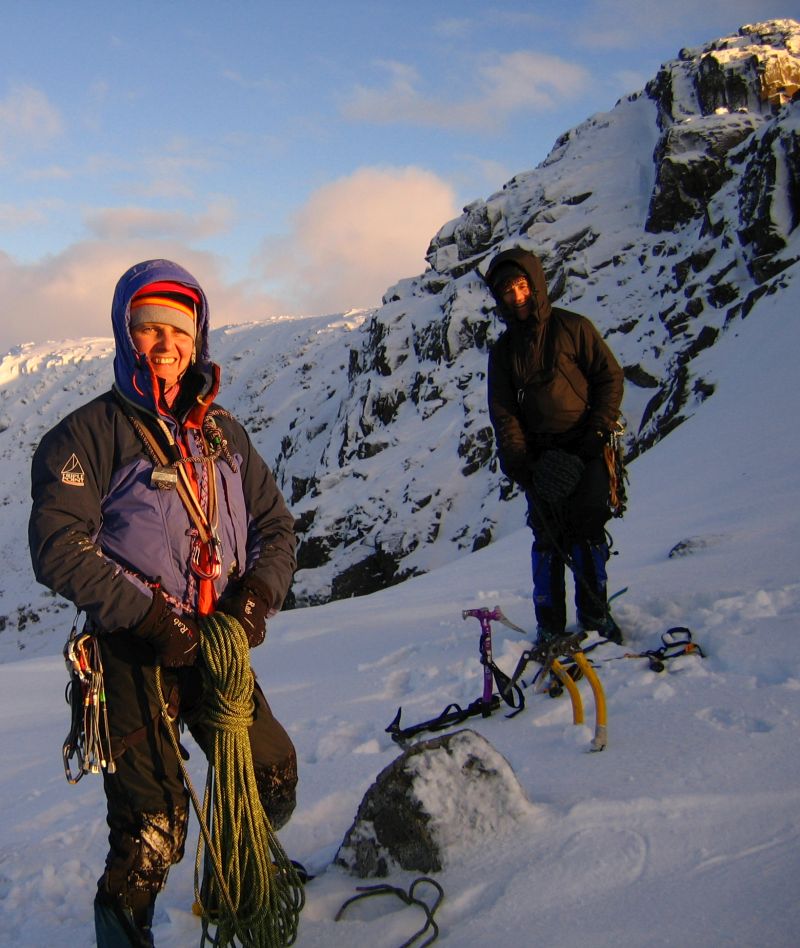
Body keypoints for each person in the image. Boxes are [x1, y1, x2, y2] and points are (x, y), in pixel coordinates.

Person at [29, 259, 298, 947]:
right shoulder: (87, 435)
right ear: (125, 335)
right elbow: (59, 546)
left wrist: (257, 600)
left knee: (269, 779)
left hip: (215, 644)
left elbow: (275, 528)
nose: (164, 343)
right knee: (151, 832)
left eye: (177, 330)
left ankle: (235, 889)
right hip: (132, 652)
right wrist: (152, 620)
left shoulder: (224, 436)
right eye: (148, 328)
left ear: (198, 338)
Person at [482, 246, 625, 643]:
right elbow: (504, 411)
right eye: (507, 292)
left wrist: (595, 435)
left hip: (586, 446)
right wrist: (522, 464)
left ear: (535, 285)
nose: (517, 297)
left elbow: (609, 378)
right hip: (539, 456)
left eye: (521, 286)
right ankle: (550, 625)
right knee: (548, 538)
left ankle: (595, 616)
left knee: (589, 529)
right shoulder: (504, 352)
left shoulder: (573, 328)